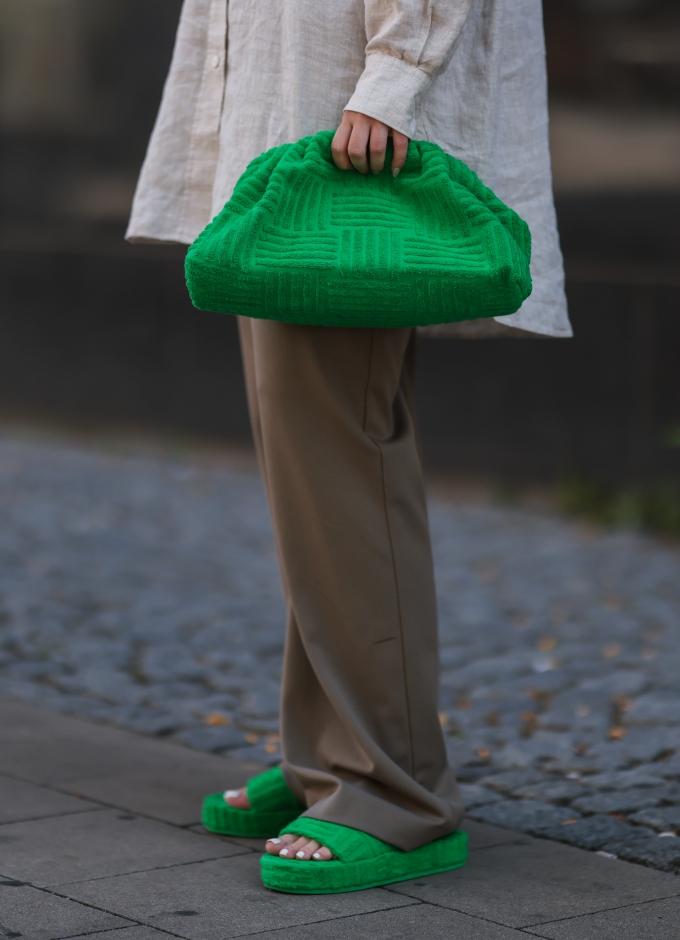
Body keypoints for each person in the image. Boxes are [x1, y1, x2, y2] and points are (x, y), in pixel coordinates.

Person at [125, 0, 573, 891]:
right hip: (296, 108)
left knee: (342, 469)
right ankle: (329, 759)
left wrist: (395, 75)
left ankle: (394, 792)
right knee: (313, 479)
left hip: (347, 118)